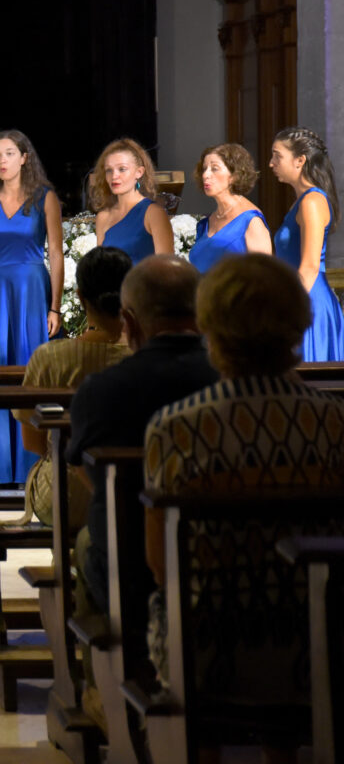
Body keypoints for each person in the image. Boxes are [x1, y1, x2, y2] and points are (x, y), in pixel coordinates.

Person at [143, 254, 344, 704]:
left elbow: (159, 563)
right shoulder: (335, 421)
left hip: (210, 648)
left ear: (209, 326)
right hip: (324, 641)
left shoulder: (178, 427)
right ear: (300, 324)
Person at [66, 255, 217, 617]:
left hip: (132, 570)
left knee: (84, 543)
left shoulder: (102, 390)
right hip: (229, 566)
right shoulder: (231, 380)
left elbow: (91, 476)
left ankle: (101, 650)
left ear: (129, 322)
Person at [9, 246, 133, 525]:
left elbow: (32, 441)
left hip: (62, 493)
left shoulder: (49, 357)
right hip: (132, 492)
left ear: (80, 297)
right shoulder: (143, 356)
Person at [0, 130, 64, 483]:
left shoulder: (45, 198)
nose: (2, 160)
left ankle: (31, 462)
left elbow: (56, 253)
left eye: (9, 153)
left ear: (24, 158)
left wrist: (55, 307)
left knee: (29, 369)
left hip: (31, 290)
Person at [269, 126, 344, 360]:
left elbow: (310, 266)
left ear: (300, 160)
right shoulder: (302, 200)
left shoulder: (312, 201)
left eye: (277, 156)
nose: (271, 163)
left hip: (307, 302)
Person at [188, 143, 271, 271]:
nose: (205, 175)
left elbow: (264, 274)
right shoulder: (206, 223)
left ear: (234, 176)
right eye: (204, 169)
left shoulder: (251, 221)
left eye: (214, 168)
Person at [90, 137, 173, 263]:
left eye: (122, 169)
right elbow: (101, 268)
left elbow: (167, 267)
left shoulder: (153, 213)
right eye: (109, 170)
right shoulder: (103, 217)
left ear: (139, 172)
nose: (114, 176)